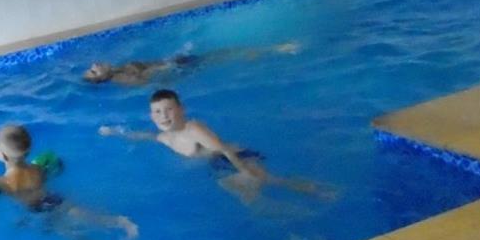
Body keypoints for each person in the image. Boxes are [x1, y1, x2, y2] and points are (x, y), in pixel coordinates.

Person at [99, 90, 332, 204]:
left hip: (235, 157)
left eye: (169, 109)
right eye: (158, 112)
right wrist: (116, 133)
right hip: (219, 165)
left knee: (268, 183)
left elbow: (223, 149)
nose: (163, 116)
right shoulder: (165, 138)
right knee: (252, 196)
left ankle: (320, 193)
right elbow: (147, 136)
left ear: (181, 110)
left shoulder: (193, 128)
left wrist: (243, 170)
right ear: (151, 116)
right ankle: (298, 209)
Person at [0, 124, 138, 240]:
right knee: (85, 216)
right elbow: (59, 169)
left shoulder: (3, 183)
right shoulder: (39, 169)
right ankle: (122, 222)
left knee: (61, 232)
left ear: (2, 155)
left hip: (35, 211)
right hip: (55, 199)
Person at [82, 42, 301, 85]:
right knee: (219, 57)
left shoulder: (120, 67)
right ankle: (275, 50)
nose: (94, 64)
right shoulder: (121, 78)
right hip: (175, 71)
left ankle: (262, 52)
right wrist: (167, 67)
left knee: (219, 55)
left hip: (174, 64)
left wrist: (172, 57)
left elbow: (149, 65)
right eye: (93, 71)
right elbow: (146, 80)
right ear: (102, 78)